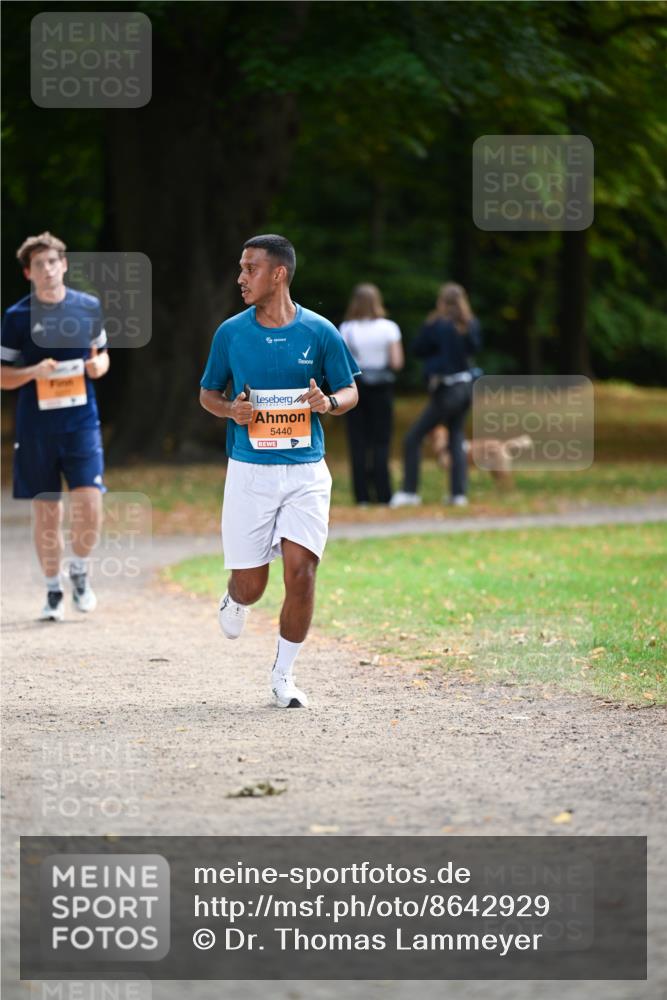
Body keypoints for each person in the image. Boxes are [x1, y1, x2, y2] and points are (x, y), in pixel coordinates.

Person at [199, 234, 359, 708]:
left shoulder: (320, 332)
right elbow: (208, 393)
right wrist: (232, 412)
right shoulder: (231, 333)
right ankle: (234, 597)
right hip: (250, 473)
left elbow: (350, 391)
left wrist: (327, 402)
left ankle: (283, 675)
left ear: (279, 274)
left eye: (250, 269)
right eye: (241, 268)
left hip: (306, 472)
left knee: (302, 572)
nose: (241, 278)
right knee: (253, 585)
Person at [1, 232, 110, 621]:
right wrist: (33, 371)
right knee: (47, 512)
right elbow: (3, 376)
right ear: (28, 272)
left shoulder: (88, 307)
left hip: (81, 422)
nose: (47, 269)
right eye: (39, 265)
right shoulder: (16, 317)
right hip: (36, 428)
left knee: (90, 504)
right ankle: (52, 591)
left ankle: (79, 569)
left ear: (63, 265)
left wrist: (99, 365)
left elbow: (100, 355)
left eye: (53, 262)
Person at [391, 282, 481, 508]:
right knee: (456, 436)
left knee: (413, 437)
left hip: (446, 389)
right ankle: (458, 494)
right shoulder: (469, 324)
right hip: (467, 387)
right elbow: (475, 349)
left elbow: (418, 349)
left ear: (441, 301)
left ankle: (409, 491)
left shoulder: (436, 324)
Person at [339, 284, 404, 505]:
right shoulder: (389, 328)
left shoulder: (346, 328)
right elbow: (396, 362)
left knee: (357, 440)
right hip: (381, 387)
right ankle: (384, 494)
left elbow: (343, 363)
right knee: (381, 440)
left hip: (356, 386)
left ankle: (361, 496)